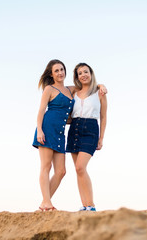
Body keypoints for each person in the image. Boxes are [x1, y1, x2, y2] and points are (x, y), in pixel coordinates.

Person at [33, 59, 107, 212]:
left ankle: (44, 203)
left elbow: (89, 86)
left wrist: (101, 85)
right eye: (56, 71)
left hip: (61, 132)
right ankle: (47, 202)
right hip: (47, 129)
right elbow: (41, 111)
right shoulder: (49, 89)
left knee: (61, 171)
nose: (60, 73)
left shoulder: (71, 90)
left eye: (62, 69)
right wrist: (39, 130)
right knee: (46, 166)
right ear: (51, 74)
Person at [66, 63, 107, 212]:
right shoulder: (74, 92)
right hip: (74, 129)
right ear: (77, 77)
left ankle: (91, 205)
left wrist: (101, 138)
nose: (83, 75)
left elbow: (103, 116)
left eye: (86, 72)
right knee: (78, 170)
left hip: (90, 129)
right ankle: (85, 206)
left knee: (80, 167)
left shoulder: (99, 93)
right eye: (80, 73)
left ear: (91, 73)